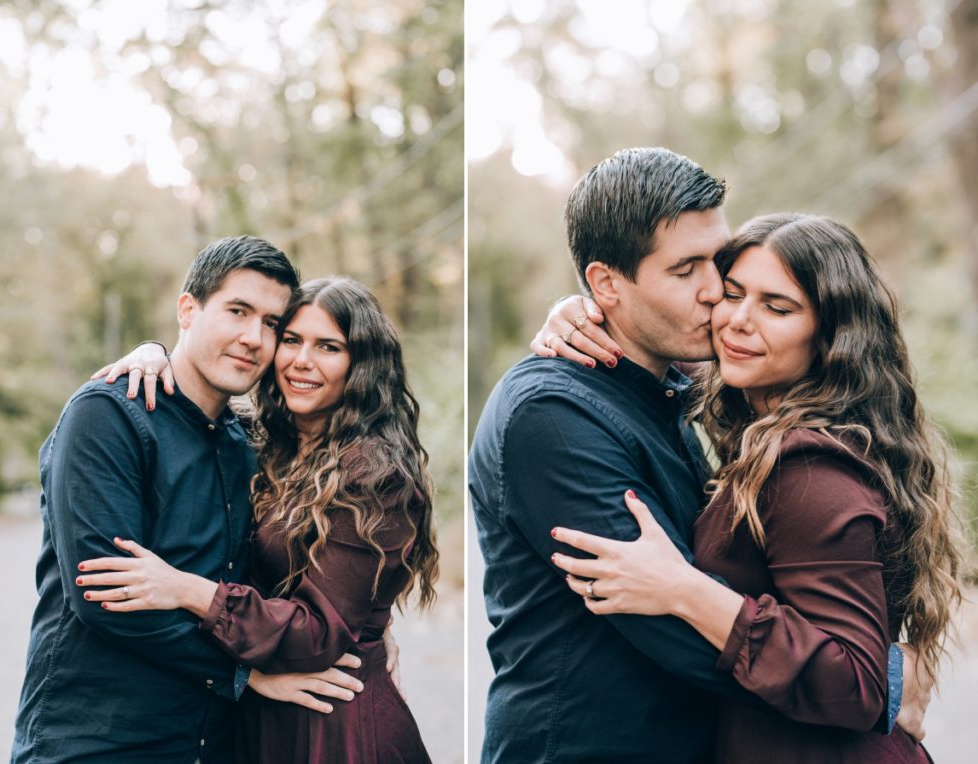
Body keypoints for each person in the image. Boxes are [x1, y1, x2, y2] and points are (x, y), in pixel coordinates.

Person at [468, 148, 927, 763]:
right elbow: (672, 629)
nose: (717, 294)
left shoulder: (675, 388)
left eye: (719, 261)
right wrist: (878, 680)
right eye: (687, 270)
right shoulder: (551, 416)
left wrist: (870, 664)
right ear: (605, 284)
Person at [547, 213, 964, 762]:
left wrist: (685, 589)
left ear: (832, 334)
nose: (738, 322)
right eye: (733, 293)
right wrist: (584, 312)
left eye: (777, 307)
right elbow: (661, 344)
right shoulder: (763, 416)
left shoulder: (811, 468)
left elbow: (861, 683)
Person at [11, 237, 366, 764]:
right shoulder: (109, 417)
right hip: (100, 742)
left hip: (211, 743)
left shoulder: (248, 442)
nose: (253, 338)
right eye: (237, 311)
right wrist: (245, 674)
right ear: (187, 309)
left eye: (271, 324)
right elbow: (104, 597)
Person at [76, 277, 438, 764]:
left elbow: (320, 632)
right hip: (260, 717)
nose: (301, 360)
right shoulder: (261, 441)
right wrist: (153, 351)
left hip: (334, 723)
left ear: (362, 366)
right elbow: (196, 380)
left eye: (328, 346)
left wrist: (187, 590)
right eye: (291, 340)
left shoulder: (375, 475)